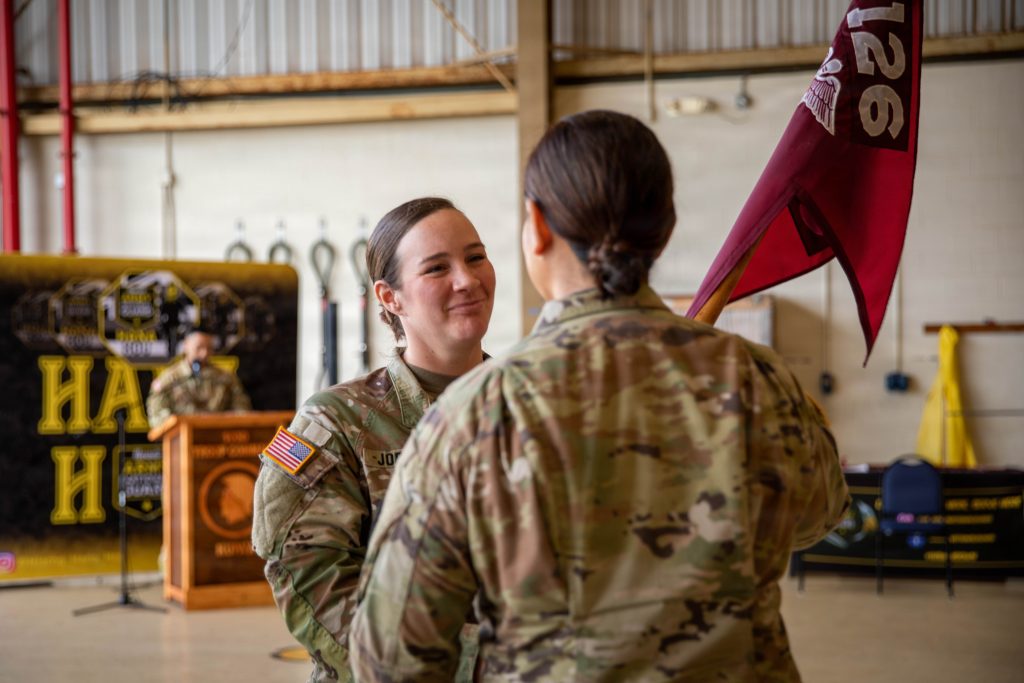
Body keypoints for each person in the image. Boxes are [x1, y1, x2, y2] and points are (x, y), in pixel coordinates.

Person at [349, 110, 851, 681]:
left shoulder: (477, 412)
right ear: (665, 227)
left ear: (536, 226)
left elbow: (391, 657)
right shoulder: (757, 379)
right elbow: (820, 513)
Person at [251, 197, 495, 683]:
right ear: (389, 297)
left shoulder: (532, 404)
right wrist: (480, 667)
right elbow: (313, 583)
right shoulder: (334, 423)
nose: (467, 280)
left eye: (475, 257)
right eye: (436, 268)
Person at [146, 325, 251, 429]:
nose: (204, 354)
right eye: (199, 347)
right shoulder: (169, 379)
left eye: (209, 349)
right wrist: (176, 425)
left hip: (217, 435)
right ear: (186, 345)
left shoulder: (226, 378)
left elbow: (242, 409)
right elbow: (157, 415)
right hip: (180, 437)